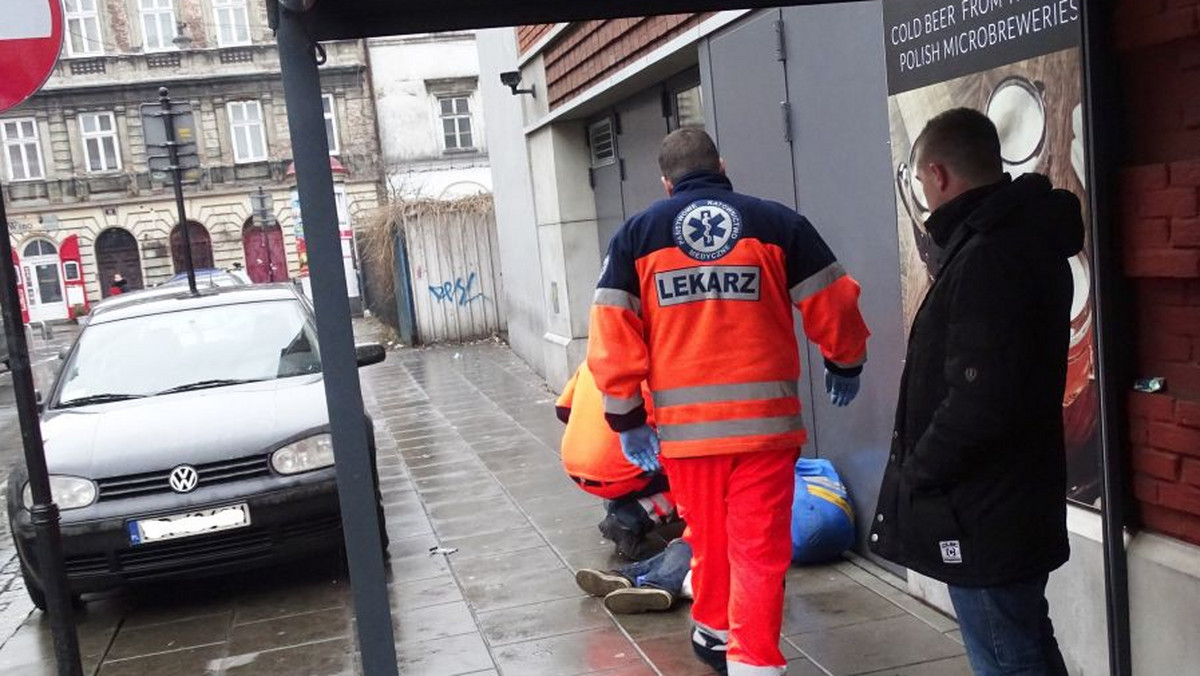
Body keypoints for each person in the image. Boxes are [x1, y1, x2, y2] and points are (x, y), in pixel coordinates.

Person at [589, 128, 870, 676]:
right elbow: (833, 300)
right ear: (721, 164)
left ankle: (716, 634)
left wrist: (626, 417)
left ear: (666, 181)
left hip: (685, 438)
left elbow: (611, 330)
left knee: (709, 542)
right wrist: (845, 361)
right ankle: (754, 662)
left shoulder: (636, 236)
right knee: (759, 552)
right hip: (764, 433)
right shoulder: (776, 224)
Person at [869, 108, 1081, 676]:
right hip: (1008, 498)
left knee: (1008, 658)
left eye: (921, 182)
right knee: (1025, 642)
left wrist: (919, 472)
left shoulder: (990, 256)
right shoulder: (1014, 241)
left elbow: (978, 399)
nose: (925, 196)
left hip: (985, 509)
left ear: (937, 173)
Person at [575, 457, 857, 615]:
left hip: (746, 548)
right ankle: (630, 576)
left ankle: (655, 582)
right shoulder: (802, 475)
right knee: (689, 542)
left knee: (692, 542)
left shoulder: (759, 470)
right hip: (772, 542)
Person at [556, 361, 678, 560]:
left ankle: (621, 499)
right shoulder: (662, 364)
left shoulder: (593, 360)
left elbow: (563, 410)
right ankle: (630, 517)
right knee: (697, 480)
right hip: (622, 469)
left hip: (576, 464)